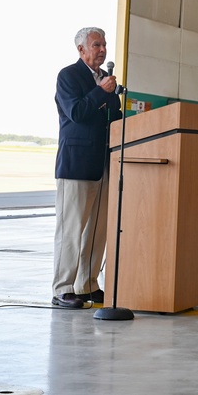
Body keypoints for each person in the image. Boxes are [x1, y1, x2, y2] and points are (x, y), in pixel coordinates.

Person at [52, 27, 122, 309]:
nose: (102, 49)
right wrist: (99, 91)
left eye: (104, 44)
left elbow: (115, 115)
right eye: (96, 45)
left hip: (104, 163)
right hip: (77, 164)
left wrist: (107, 92)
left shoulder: (105, 79)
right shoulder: (68, 76)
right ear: (81, 49)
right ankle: (63, 288)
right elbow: (77, 113)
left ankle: (88, 284)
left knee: (97, 228)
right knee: (72, 229)